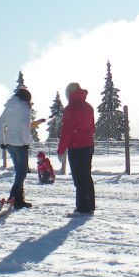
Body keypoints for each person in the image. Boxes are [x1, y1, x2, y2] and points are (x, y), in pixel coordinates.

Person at [57, 81, 95, 215]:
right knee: (86, 176)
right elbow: (92, 127)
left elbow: (66, 131)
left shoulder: (70, 109)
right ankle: (90, 205)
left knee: (78, 178)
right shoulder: (89, 107)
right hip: (89, 145)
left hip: (76, 146)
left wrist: (61, 150)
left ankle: (81, 207)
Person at [0, 87, 34, 209]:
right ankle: (14, 197)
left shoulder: (9, 107)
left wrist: (2, 141)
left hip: (10, 144)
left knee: (19, 172)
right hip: (21, 145)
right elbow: (25, 126)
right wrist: (26, 143)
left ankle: (18, 199)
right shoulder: (25, 108)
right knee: (22, 173)